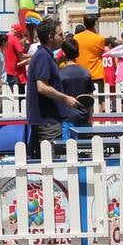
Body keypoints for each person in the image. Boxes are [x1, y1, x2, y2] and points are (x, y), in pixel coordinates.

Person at [25, 19, 79, 153]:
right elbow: (42, 87)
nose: (63, 38)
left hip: (45, 119)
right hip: (48, 120)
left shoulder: (43, 55)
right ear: (50, 37)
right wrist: (65, 98)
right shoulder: (43, 56)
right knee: (52, 162)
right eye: (60, 35)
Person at [57, 37, 94, 130]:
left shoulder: (60, 74)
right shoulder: (86, 73)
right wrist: (90, 118)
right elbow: (90, 98)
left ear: (64, 53)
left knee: (67, 144)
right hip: (84, 117)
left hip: (66, 118)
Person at [74, 15, 107, 90]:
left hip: (80, 73)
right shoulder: (99, 38)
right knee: (99, 100)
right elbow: (101, 53)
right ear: (95, 24)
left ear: (84, 23)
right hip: (96, 74)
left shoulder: (76, 37)